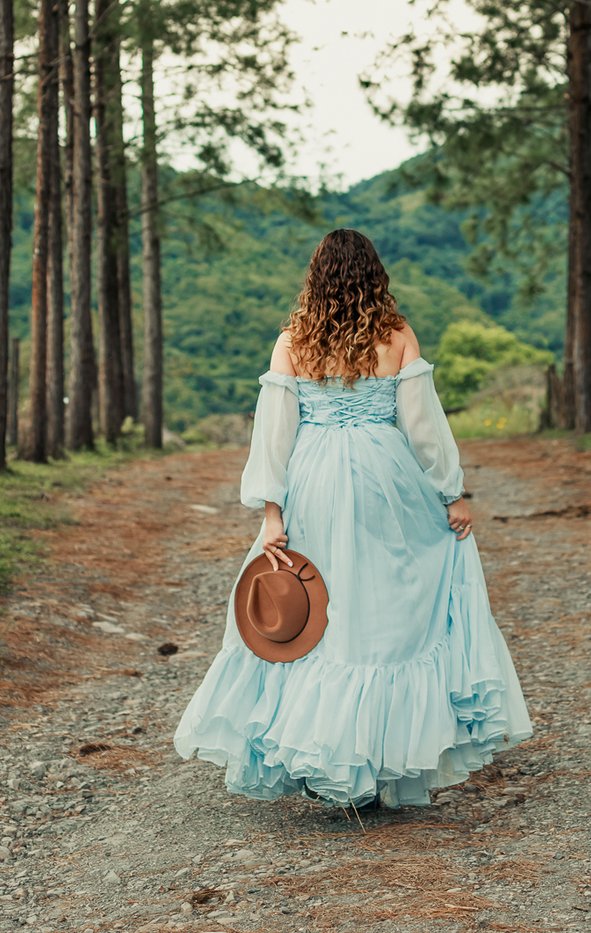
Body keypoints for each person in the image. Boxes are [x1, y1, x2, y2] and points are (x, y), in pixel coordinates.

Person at [173, 227, 532, 809]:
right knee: (385, 605)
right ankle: (376, 758)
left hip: (313, 477)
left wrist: (272, 512)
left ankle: (322, 753)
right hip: (384, 478)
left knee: (316, 607)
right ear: (374, 276)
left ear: (316, 275)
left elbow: (274, 434)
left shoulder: (292, 341)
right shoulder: (396, 336)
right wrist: (452, 494)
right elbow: (422, 427)